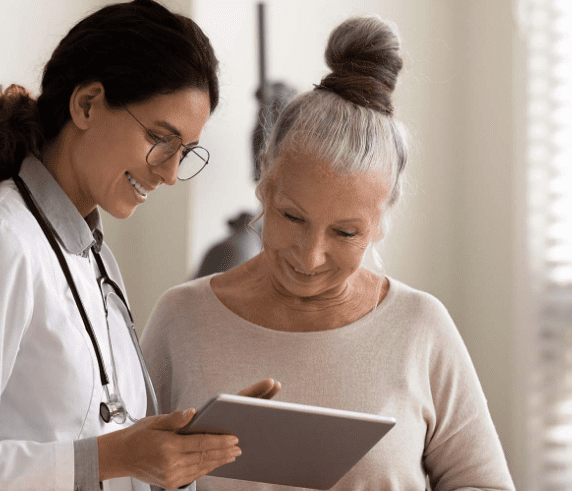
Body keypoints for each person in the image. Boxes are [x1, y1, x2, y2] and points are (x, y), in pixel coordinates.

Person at [0, 2, 278, 490]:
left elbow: (106, 449)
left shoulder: (93, 256)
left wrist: (179, 453)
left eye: (185, 152)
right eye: (161, 138)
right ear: (88, 104)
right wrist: (108, 458)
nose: (170, 173)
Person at [140, 15, 516, 491]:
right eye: (292, 218)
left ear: (380, 221)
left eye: (345, 233)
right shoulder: (182, 319)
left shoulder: (420, 327)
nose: (310, 256)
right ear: (264, 181)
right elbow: (124, 476)